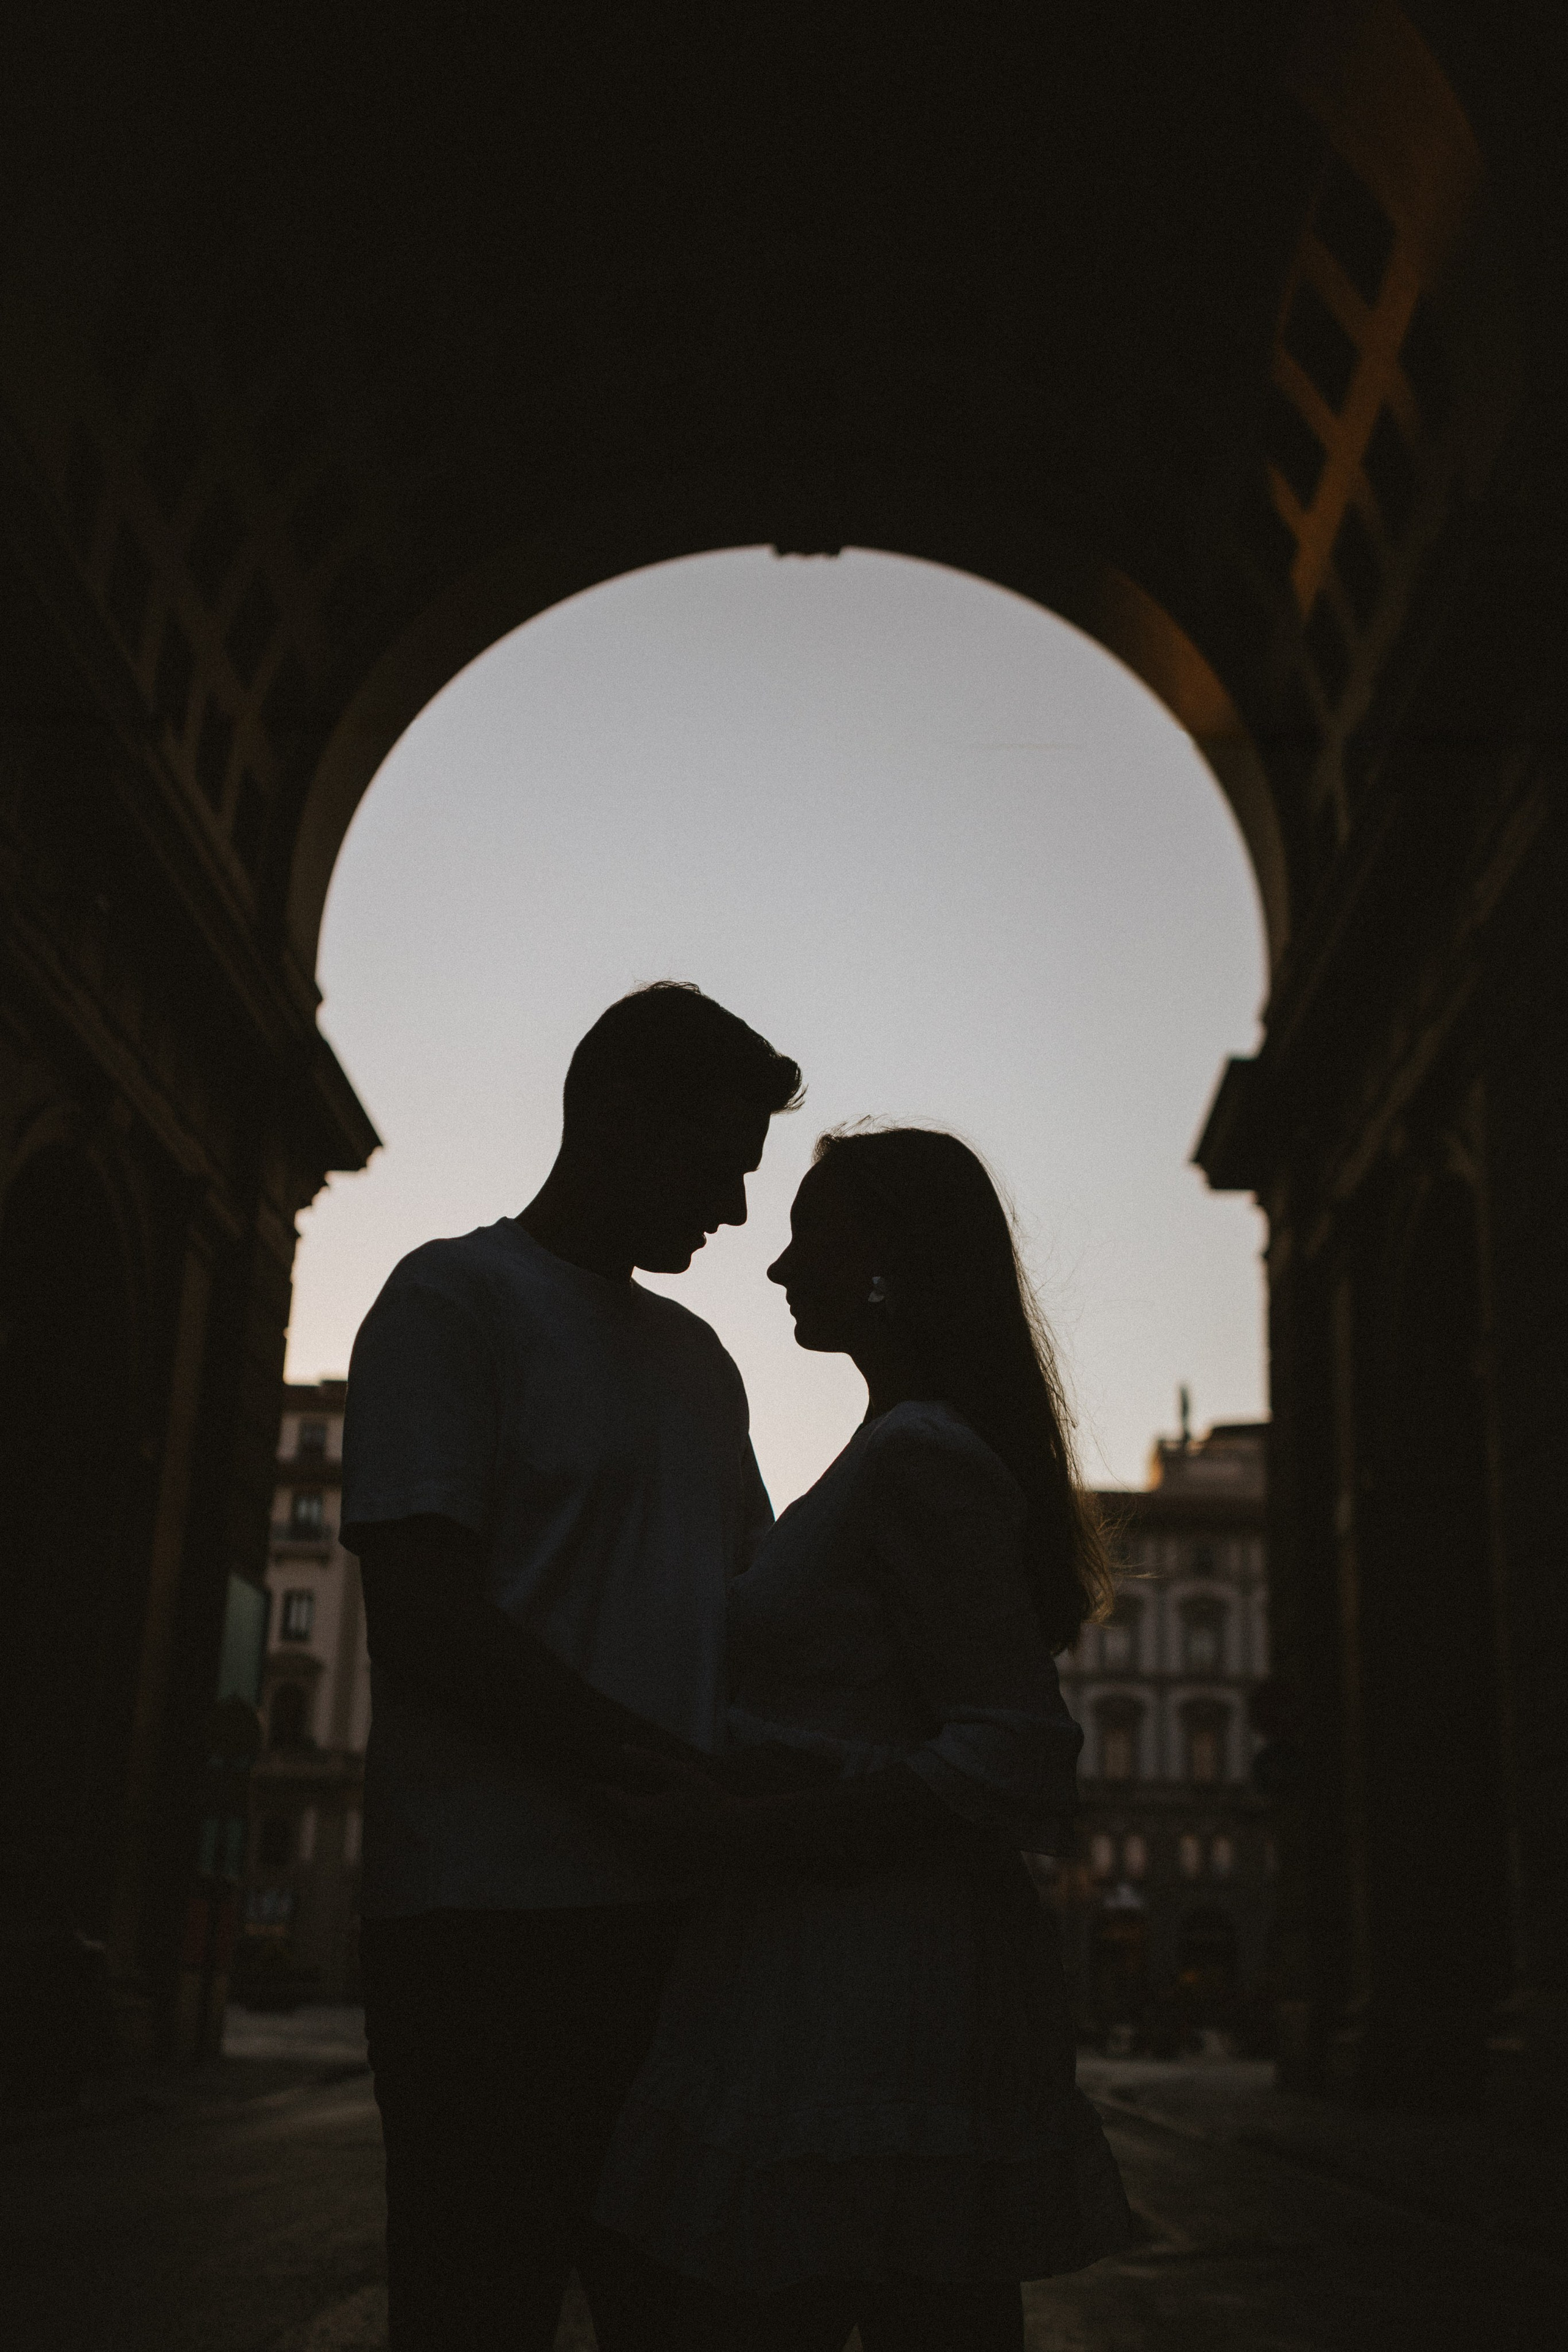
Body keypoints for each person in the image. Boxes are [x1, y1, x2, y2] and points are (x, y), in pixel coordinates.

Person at [591, 1125, 1136, 2352]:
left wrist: (748, 1826)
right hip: (840, 1955)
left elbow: (1014, 1747)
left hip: (866, 1973)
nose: (778, 1268)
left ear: (887, 1254)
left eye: (806, 1232)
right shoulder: (895, 1448)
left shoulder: (916, 1455)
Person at [340, 982, 802, 2352]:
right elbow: (423, 1617)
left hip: (676, 1928)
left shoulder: (700, 1363)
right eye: (718, 1161)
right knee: (478, 2301)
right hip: (483, 1923)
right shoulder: (451, 1300)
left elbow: (752, 1618)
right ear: (614, 1114)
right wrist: (667, 1773)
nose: (730, 1209)